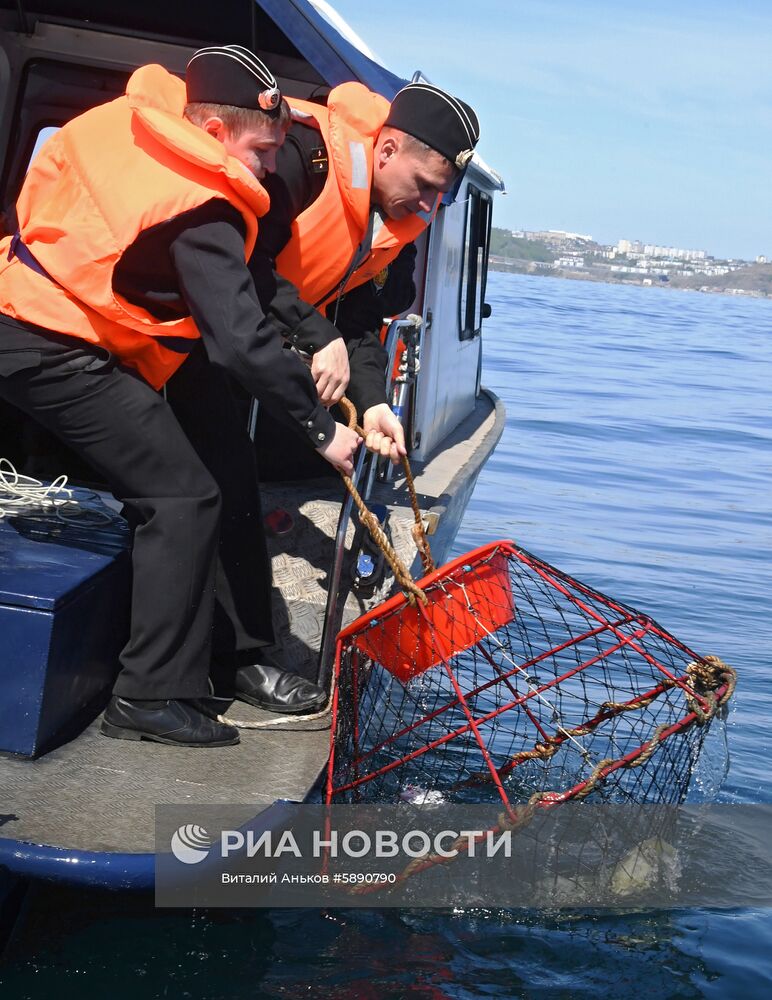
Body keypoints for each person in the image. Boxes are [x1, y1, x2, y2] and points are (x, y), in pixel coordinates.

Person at [0, 45, 361, 748]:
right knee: (182, 496)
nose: (265, 169)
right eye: (262, 151)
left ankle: (201, 667)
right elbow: (239, 343)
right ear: (219, 134)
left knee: (197, 473)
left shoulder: (137, 133)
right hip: (50, 344)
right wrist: (323, 431)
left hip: (28, 311)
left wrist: (314, 338)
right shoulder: (204, 201)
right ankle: (148, 696)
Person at [252, 81, 480, 466]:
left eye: (437, 192)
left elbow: (358, 322)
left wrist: (374, 403)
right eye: (423, 185)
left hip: (264, 362)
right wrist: (316, 334)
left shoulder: (390, 225)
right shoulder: (300, 161)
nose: (427, 204)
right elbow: (242, 266)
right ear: (388, 151)